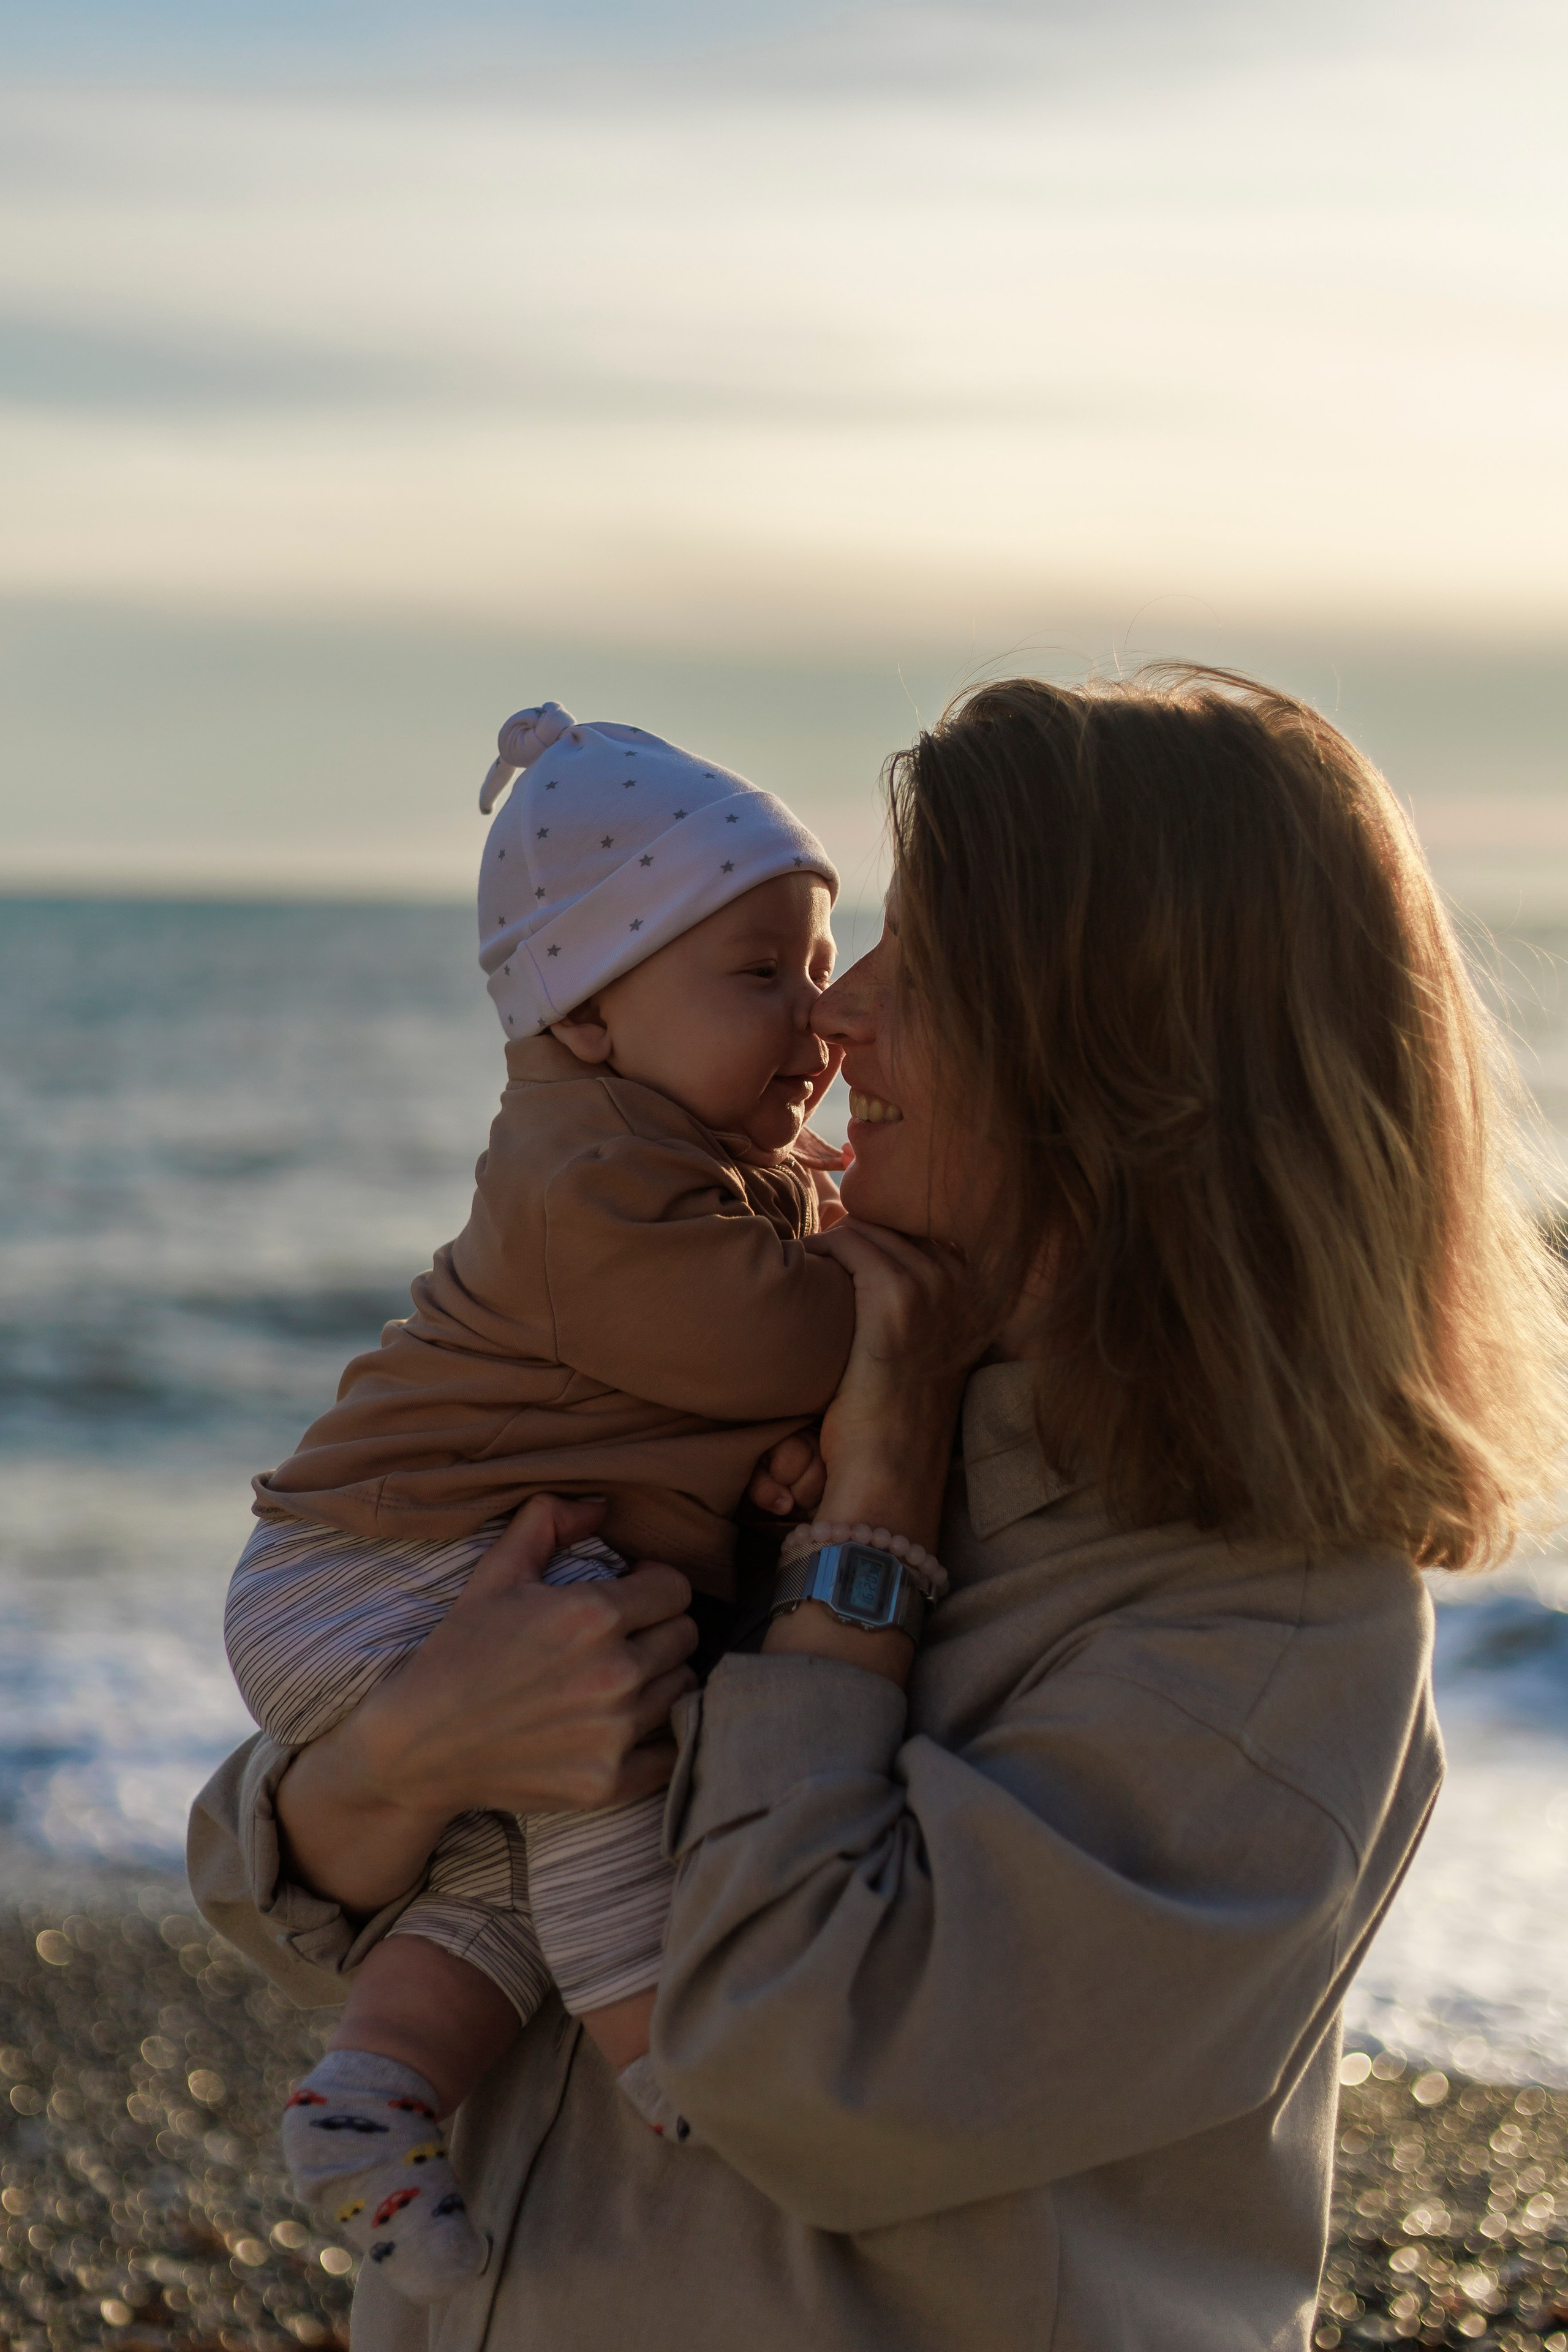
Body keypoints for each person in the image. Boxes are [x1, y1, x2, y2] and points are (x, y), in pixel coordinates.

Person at [190, 669, 1566, 2352]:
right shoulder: (795, 1410)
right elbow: (277, 1894)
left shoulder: (1271, 1635)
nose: (841, 1018)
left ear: (1132, 1057)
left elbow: (804, 2073)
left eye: (937, 963)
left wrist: (872, 1533)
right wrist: (406, 1755)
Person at [221, 701, 862, 2296]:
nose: (819, 1020)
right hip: (365, 1574)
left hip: (391, 1578)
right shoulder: (588, 1178)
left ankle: (370, 2100)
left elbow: (678, 1398)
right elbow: (775, 1336)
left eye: (820, 965)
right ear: (583, 1017)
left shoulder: (667, 1161)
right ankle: (656, 2047)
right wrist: (895, 1289)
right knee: (597, 1730)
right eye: (761, 976)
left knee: (498, 1877)